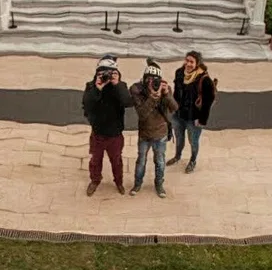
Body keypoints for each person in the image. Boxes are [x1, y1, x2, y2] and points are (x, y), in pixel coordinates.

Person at [81, 55, 131, 196]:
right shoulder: (91, 86)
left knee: (116, 161)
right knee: (95, 160)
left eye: (109, 72)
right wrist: (97, 88)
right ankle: (95, 180)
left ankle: (119, 182)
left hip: (115, 134)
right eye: (102, 73)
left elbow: (128, 102)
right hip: (98, 133)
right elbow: (87, 105)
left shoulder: (120, 86)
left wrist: (117, 84)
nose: (106, 76)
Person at [129, 59, 178, 197]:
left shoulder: (164, 89)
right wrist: (152, 97)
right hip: (144, 134)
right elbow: (142, 114)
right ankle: (137, 184)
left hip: (160, 133)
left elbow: (174, 108)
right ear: (144, 79)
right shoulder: (136, 89)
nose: (152, 83)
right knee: (141, 161)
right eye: (149, 79)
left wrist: (166, 94)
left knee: (160, 161)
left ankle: (159, 185)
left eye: (155, 79)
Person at [169, 50, 216, 173]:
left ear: (197, 63)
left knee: (193, 142)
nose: (188, 64)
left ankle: (192, 160)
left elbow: (208, 102)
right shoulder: (179, 73)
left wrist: (202, 120)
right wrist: (173, 108)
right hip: (178, 115)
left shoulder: (204, 80)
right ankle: (177, 156)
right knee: (179, 139)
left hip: (193, 118)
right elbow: (176, 93)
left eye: (191, 62)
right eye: (187, 60)